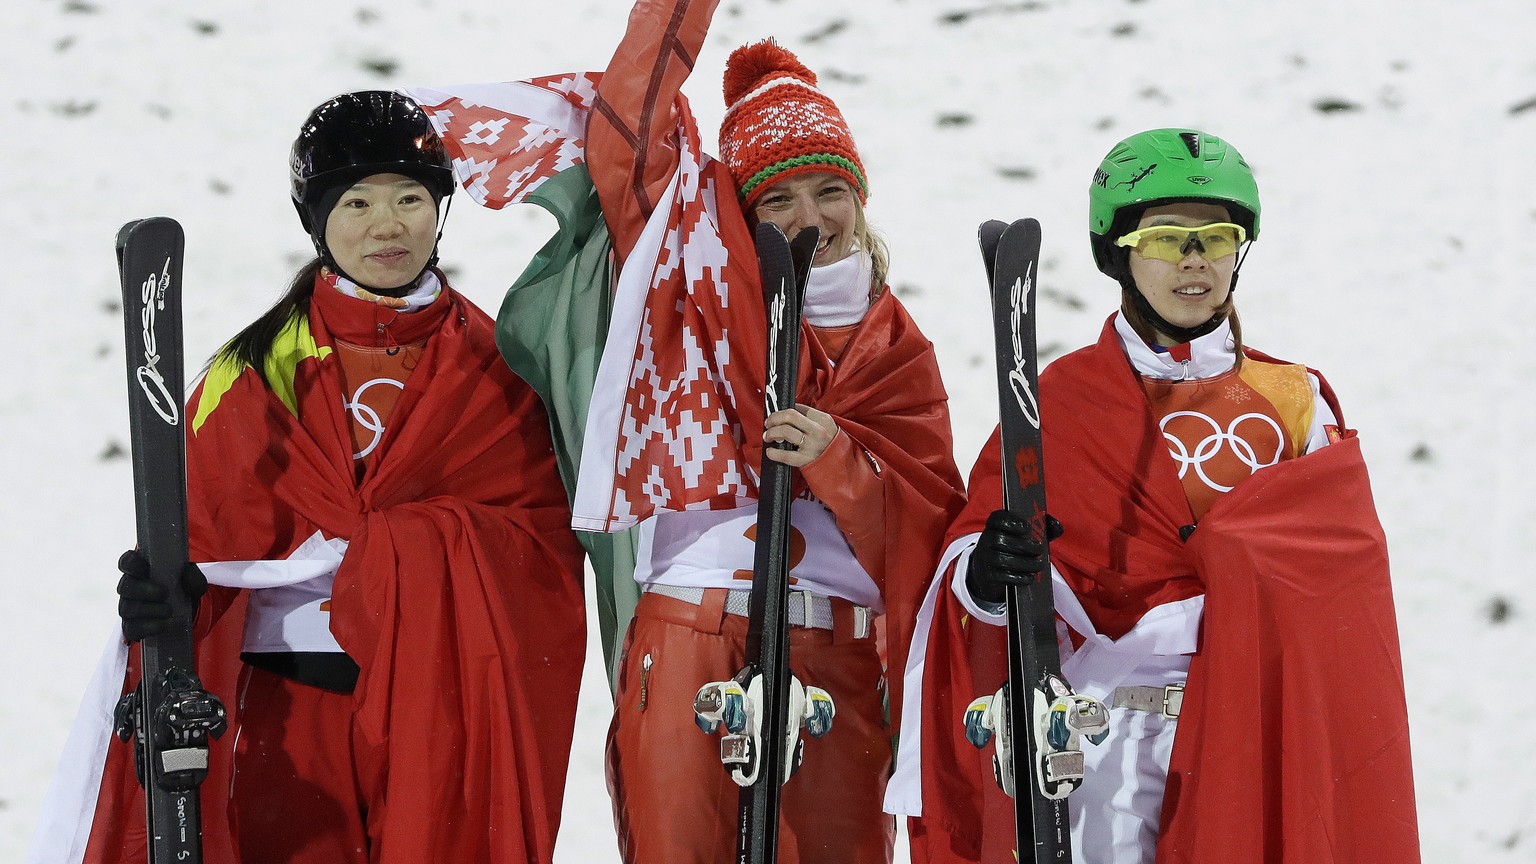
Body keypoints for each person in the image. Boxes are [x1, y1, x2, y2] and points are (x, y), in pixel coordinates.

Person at [65, 90, 586, 864]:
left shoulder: (498, 366)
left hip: (438, 713)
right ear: (317, 222)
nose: (388, 224)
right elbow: (206, 539)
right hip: (286, 713)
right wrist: (166, 598)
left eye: (412, 197)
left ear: (440, 212)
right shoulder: (251, 373)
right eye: (357, 202)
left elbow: (541, 549)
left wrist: (395, 547)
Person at [897, 129, 1420, 864]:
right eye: (1168, 238)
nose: (1195, 258)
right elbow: (972, 571)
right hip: (1110, 738)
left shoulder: (1297, 401)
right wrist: (987, 572)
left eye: (1217, 237)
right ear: (1117, 253)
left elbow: (1340, 590)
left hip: (1258, 726)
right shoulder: (1058, 400)